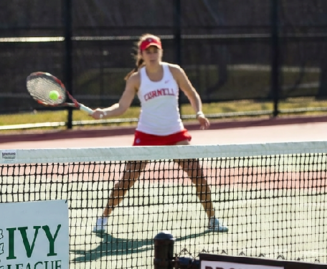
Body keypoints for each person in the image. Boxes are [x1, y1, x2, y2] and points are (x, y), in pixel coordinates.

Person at [90, 34, 227, 234]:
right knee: (128, 179)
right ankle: (103, 218)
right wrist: (103, 112)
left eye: (156, 50)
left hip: (175, 134)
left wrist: (198, 112)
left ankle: (213, 220)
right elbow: (121, 106)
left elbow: (192, 93)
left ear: (160, 51)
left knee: (198, 175)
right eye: (148, 51)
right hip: (147, 135)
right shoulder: (136, 78)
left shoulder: (174, 71)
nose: (152, 54)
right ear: (142, 54)